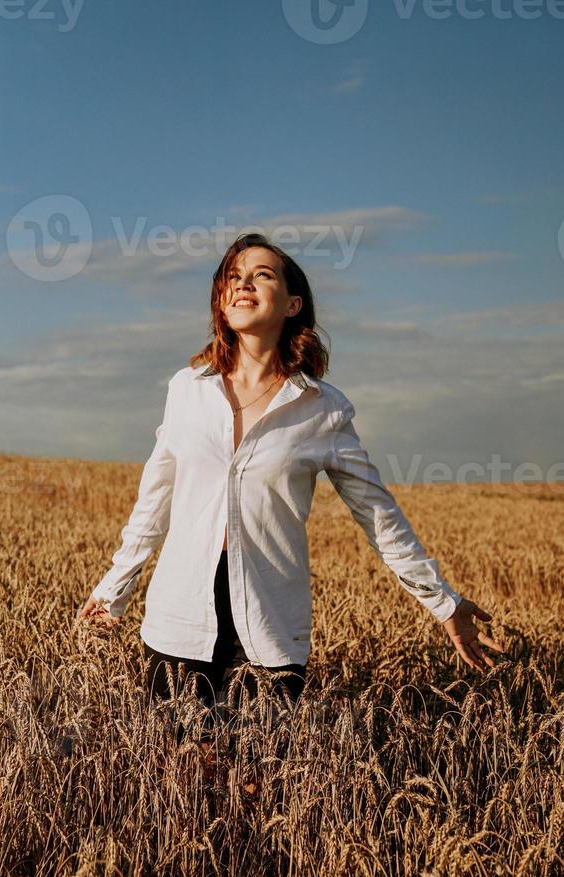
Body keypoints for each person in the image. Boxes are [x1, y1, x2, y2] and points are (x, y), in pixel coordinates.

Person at [77, 232, 505, 779]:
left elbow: (379, 516)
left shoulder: (321, 409)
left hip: (270, 624)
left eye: (262, 274)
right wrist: (114, 588)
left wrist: (443, 602)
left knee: (257, 784)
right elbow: (154, 498)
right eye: (233, 276)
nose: (243, 283)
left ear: (293, 303)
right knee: (178, 785)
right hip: (180, 619)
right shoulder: (187, 388)